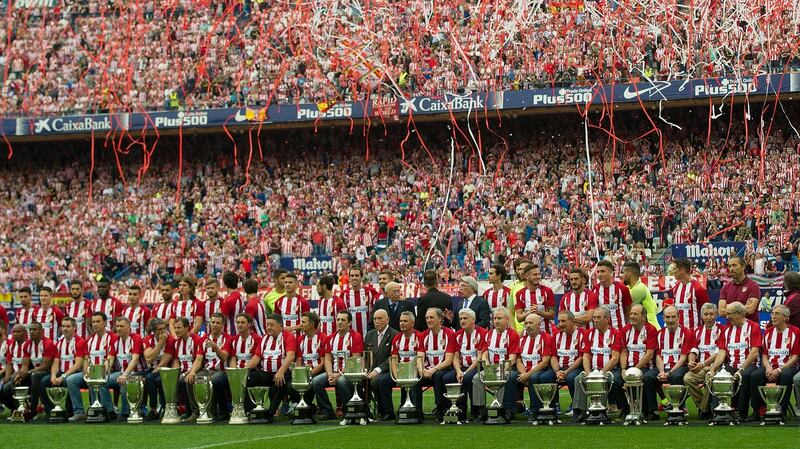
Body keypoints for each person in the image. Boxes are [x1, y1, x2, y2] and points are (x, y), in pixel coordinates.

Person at [710, 302, 762, 421]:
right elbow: (722, 352)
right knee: (719, 376)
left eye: (729, 314)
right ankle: (717, 410)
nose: (726, 317)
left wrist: (741, 368)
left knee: (744, 375)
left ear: (739, 314)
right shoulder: (726, 330)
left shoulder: (753, 327)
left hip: (750, 365)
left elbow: (754, 352)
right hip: (732, 365)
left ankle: (741, 412)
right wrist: (713, 369)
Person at [572, 306, 624, 423]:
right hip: (592, 369)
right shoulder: (588, 334)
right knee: (578, 379)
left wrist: (602, 373)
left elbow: (615, 358)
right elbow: (585, 355)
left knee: (605, 380)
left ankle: (602, 410)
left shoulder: (615, 334)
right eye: (594, 318)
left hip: (611, 370)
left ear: (607, 319)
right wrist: (587, 372)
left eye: (598, 317)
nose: (595, 320)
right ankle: (580, 411)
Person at [67, 312, 118, 421]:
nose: (95, 324)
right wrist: (86, 372)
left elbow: (110, 359)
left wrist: (100, 372)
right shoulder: (89, 339)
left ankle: (108, 411)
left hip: (109, 372)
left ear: (105, 323)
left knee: (99, 379)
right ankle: (79, 412)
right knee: (71, 380)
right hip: (92, 372)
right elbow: (86, 359)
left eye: (98, 321)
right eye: (93, 322)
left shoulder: (112, 337)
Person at [472, 307, 521, 422]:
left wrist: (500, 370)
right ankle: (482, 410)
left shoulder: (512, 335)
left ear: (507, 319)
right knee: (477, 378)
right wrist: (489, 368)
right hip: (491, 368)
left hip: (507, 368)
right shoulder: (489, 334)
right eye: (494, 318)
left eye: (499, 318)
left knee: (504, 378)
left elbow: (512, 359)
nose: (496, 321)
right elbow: (485, 354)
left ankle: (504, 411)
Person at [245, 313, 297, 419]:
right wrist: (243, 370)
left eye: (271, 325)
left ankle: (270, 413)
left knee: (280, 380)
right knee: (249, 377)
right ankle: (250, 411)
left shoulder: (288, 337)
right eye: (267, 324)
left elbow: (290, 356)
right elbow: (256, 358)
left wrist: (281, 371)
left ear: (280, 326)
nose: (268, 327)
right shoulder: (264, 338)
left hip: (282, 371)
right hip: (266, 373)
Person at [646, 305, 694, 420]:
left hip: (679, 367)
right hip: (662, 367)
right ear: (663, 318)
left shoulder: (686, 333)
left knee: (676, 376)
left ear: (678, 317)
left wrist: (669, 373)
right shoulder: (659, 334)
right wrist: (662, 371)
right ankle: (652, 411)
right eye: (667, 317)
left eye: (673, 317)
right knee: (648, 377)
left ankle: (680, 408)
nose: (670, 320)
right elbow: (658, 356)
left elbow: (683, 358)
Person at [753, 305, 798, 421]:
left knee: (785, 375)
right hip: (770, 366)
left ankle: (780, 410)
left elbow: (795, 357)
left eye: (777, 314)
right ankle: (758, 410)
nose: (773, 316)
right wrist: (768, 368)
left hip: (788, 366)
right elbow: (764, 355)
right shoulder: (768, 332)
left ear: (786, 317)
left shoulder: (795, 332)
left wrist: (779, 370)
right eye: (772, 313)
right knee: (756, 376)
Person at [316, 311, 363, 420]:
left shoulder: (355, 337)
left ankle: (348, 410)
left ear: (349, 323)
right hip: (334, 372)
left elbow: (355, 360)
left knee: (341, 381)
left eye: (343, 320)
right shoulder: (330, 338)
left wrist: (339, 374)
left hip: (350, 372)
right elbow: (327, 359)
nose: (340, 322)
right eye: (338, 320)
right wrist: (330, 374)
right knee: (316, 381)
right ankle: (327, 410)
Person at [505, 314, 554, 419]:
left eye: (531, 323)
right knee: (510, 376)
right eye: (526, 323)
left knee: (534, 378)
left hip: (541, 370)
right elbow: (518, 360)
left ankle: (534, 411)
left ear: (538, 325)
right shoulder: (521, 339)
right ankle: (509, 411)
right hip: (524, 370)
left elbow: (545, 362)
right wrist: (523, 373)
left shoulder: (546, 338)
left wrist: (528, 374)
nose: (527, 325)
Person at [443, 308, 486, 420]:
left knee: (468, 378)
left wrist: (465, 372)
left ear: (473, 319)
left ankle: (475, 411)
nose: (462, 321)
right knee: (447, 377)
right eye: (460, 318)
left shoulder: (482, 333)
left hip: (477, 366)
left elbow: (480, 357)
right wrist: (458, 371)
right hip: (461, 367)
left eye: (465, 318)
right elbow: (455, 356)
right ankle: (455, 410)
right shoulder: (457, 335)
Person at [684, 303, 726, 419]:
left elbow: (718, 352)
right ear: (701, 316)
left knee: (710, 378)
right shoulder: (696, 331)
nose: (708, 317)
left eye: (711, 314)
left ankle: (703, 411)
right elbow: (693, 350)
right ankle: (704, 407)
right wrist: (691, 362)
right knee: (688, 378)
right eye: (706, 314)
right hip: (700, 366)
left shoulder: (722, 330)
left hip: (716, 367)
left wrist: (703, 364)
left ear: (716, 315)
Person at [417, 307, 457, 422]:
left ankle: (440, 408)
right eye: (427, 318)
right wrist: (421, 370)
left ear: (440, 319)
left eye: (431, 317)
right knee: (415, 377)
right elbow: (419, 357)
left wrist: (433, 369)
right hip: (427, 370)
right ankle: (417, 411)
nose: (429, 320)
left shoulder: (449, 334)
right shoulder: (423, 335)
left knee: (438, 375)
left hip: (445, 368)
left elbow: (448, 360)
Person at [42, 317, 87, 418]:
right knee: (45, 381)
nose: (65, 329)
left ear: (74, 327)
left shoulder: (79, 342)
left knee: (68, 380)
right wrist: (53, 375)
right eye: (63, 326)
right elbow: (56, 362)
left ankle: (72, 411)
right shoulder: (59, 343)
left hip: (77, 372)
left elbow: (78, 364)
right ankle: (51, 411)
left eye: (68, 326)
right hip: (62, 372)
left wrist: (63, 376)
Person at [619, 304, 658, 419]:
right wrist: (623, 369)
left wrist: (634, 370)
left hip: (646, 367)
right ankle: (627, 409)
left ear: (644, 316)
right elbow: (624, 351)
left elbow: (650, 353)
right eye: (631, 313)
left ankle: (652, 411)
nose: (632, 316)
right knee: (615, 380)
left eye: (636, 314)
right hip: (628, 368)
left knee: (647, 378)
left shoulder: (651, 329)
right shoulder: (625, 330)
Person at [381, 311, 423, 417]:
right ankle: (388, 412)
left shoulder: (419, 336)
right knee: (381, 381)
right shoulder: (397, 338)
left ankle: (416, 412)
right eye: (400, 321)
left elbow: (420, 358)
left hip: (415, 371)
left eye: (405, 321)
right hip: (400, 372)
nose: (402, 323)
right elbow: (394, 360)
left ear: (412, 323)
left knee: (414, 380)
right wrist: (397, 377)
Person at [107, 316, 145, 420]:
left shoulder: (136, 338)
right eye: (117, 326)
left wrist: (125, 375)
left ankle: (124, 413)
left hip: (138, 373)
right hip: (122, 372)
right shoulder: (114, 339)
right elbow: (110, 359)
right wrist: (102, 373)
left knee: (125, 382)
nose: (118, 328)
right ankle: (110, 411)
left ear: (129, 327)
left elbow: (135, 359)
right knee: (102, 382)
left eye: (122, 326)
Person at [364, 309, 398, 421]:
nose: (377, 321)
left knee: (379, 381)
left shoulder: (394, 334)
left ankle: (387, 411)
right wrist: (365, 370)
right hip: (371, 370)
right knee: (355, 380)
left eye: (380, 318)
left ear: (387, 319)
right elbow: (366, 356)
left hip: (390, 370)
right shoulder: (369, 335)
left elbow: (392, 358)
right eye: (375, 319)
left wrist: (377, 370)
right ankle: (363, 410)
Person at [550, 311, 584, 416]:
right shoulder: (556, 335)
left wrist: (567, 371)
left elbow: (582, 357)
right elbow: (553, 356)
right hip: (559, 368)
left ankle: (577, 408)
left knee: (571, 377)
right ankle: (552, 408)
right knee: (544, 377)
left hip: (575, 368)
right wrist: (556, 371)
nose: (560, 324)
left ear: (572, 321)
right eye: (559, 321)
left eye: (563, 321)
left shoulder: (582, 334)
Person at [143, 317, 176, 420]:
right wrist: (160, 343)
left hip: (167, 369)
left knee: (151, 378)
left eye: (164, 328)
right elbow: (149, 358)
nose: (162, 331)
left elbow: (165, 361)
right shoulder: (148, 339)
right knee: (134, 378)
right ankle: (140, 409)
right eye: (159, 329)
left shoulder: (170, 340)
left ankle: (157, 408)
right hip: (152, 368)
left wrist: (153, 372)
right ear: (153, 331)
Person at [172, 317, 205, 423]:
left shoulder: (196, 340)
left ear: (187, 328)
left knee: (185, 380)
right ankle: (176, 409)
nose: (176, 330)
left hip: (196, 369)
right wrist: (174, 372)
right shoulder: (177, 343)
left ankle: (195, 411)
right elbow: (176, 361)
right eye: (175, 328)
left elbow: (199, 360)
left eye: (179, 328)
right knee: (165, 379)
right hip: (183, 370)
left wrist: (190, 372)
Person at [295, 312, 328, 417]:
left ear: (312, 325)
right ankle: (305, 407)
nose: (301, 325)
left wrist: (308, 374)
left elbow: (323, 363)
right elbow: (299, 360)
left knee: (314, 382)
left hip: (319, 371)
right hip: (305, 373)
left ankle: (326, 410)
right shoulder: (300, 339)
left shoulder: (323, 338)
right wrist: (299, 374)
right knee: (290, 385)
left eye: (303, 322)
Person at [201, 312, 231, 420]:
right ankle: (197, 411)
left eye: (218, 323)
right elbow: (199, 358)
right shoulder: (204, 339)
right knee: (192, 379)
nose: (214, 325)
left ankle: (220, 411)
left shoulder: (227, 338)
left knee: (214, 380)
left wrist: (216, 348)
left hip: (222, 371)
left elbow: (224, 357)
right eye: (213, 322)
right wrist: (191, 372)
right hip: (207, 370)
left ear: (222, 325)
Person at [514, 264, 556, 334]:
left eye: (539, 274)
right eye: (535, 274)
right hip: (527, 335)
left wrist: (539, 312)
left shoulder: (547, 291)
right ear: (526, 276)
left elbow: (552, 315)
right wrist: (529, 312)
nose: (538, 277)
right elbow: (519, 318)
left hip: (545, 333)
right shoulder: (520, 294)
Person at [0, 325, 30, 418]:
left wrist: (14, 376)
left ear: (24, 333)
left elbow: (26, 365)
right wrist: (7, 376)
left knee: (7, 387)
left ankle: (21, 411)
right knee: (2, 389)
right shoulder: (12, 345)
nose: (15, 334)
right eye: (14, 332)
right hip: (14, 374)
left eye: (18, 332)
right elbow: (9, 363)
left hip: (27, 374)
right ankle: (14, 410)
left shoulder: (28, 345)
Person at [718, 256, 761, 322]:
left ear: (743, 266)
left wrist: (728, 307)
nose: (731, 269)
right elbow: (721, 311)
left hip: (749, 329)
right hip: (731, 329)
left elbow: (750, 310)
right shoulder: (725, 287)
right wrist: (742, 308)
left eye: (734, 265)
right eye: (729, 266)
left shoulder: (753, 286)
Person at [592, 260, 632, 329]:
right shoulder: (595, 290)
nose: (599, 274)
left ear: (611, 273)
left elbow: (628, 310)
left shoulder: (622, 288)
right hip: (602, 331)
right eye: (598, 272)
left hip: (620, 330)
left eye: (602, 271)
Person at [670, 258, 709, 329]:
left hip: (694, 334)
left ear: (682, 270)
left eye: (675, 269)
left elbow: (706, 312)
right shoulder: (675, 288)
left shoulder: (698, 289)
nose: (673, 272)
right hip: (679, 334)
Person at [341, 266, 380, 337]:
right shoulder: (344, 294)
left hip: (368, 335)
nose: (354, 278)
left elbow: (382, 300)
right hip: (351, 336)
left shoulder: (370, 292)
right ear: (349, 278)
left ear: (361, 277)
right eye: (352, 276)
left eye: (357, 275)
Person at [622, 262, 660, 329]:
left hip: (650, 329)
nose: (621, 275)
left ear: (629, 274)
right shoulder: (630, 287)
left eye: (623, 272)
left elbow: (626, 309)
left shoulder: (639, 288)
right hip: (643, 328)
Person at [509, 259, 532, 332]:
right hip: (519, 331)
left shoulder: (542, 288)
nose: (521, 272)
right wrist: (514, 331)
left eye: (524, 269)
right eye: (519, 269)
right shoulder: (515, 289)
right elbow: (511, 312)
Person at [220, 271, 245, 335]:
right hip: (240, 331)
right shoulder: (239, 295)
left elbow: (222, 319)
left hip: (230, 333)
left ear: (225, 284)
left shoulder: (228, 300)